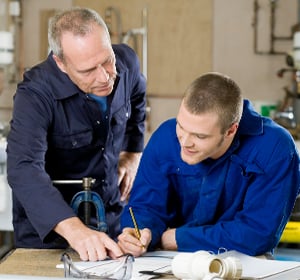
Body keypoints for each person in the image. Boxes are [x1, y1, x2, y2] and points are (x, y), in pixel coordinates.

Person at [6, 7, 146, 261]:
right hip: (50, 233)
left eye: (107, 61)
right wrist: (74, 230)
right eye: (88, 71)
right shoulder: (35, 94)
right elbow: (23, 167)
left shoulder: (127, 62)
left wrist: (133, 152)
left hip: (111, 217)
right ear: (61, 63)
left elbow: (138, 99)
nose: (105, 77)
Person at [118, 72, 300, 257]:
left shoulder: (275, 148)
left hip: (245, 259)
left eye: (200, 136)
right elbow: (144, 207)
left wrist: (176, 238)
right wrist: (141, 231)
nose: (185, 142)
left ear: (231, 130)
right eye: (181, 126)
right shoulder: (164, 137)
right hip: (171, 258)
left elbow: (257, 233)